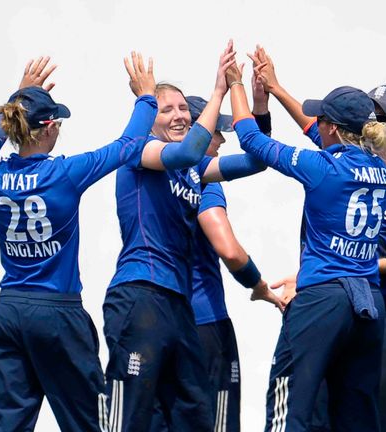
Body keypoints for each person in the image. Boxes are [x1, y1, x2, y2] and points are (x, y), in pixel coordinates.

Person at [249, 47, 386, 430]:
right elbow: (318, 126)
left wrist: (363, 266)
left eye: (385, 117)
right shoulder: (349, 158)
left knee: (375, 416)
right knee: (325, 412)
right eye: (372, 113)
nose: (376, 122)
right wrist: (275, 87)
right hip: (345, 298)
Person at [0, 56, 158, 431]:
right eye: (55, 121)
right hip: (57, 313)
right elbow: (128, 146)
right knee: (90, 423)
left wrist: (20, 95)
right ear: (47, 129)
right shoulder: (63, 174)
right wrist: (147, 98)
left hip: (9, 311)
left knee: (6, 426)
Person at [103, 42, 270, 432]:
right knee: (133, 417)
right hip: (140, 294)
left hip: (178, 306)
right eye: (168, 109)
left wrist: (255, 99)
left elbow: (256, 160)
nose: (179, 116)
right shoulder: (140, 151)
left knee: (195, 416)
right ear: (149, 118)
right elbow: (190, 148)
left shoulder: (193, 170)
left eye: (183, 108)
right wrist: (217, 91)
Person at [229, 50, 386, 430]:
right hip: (369, 302)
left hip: (323, 299)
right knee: (356, 414)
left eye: (321, 119)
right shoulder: (380, 167)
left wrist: (236, 83)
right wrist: (273, 89)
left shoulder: (324, 168)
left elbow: (251, 139)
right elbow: (319, 136)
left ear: (332, 128)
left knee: (290, 403)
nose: (315, 123)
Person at [148, 93, 283, 432]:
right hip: (205, 322)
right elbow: (229, 248)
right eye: (216, 132)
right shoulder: (202, 180)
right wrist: (259, 286)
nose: (221, 139)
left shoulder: (156, 175)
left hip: (161, 320)